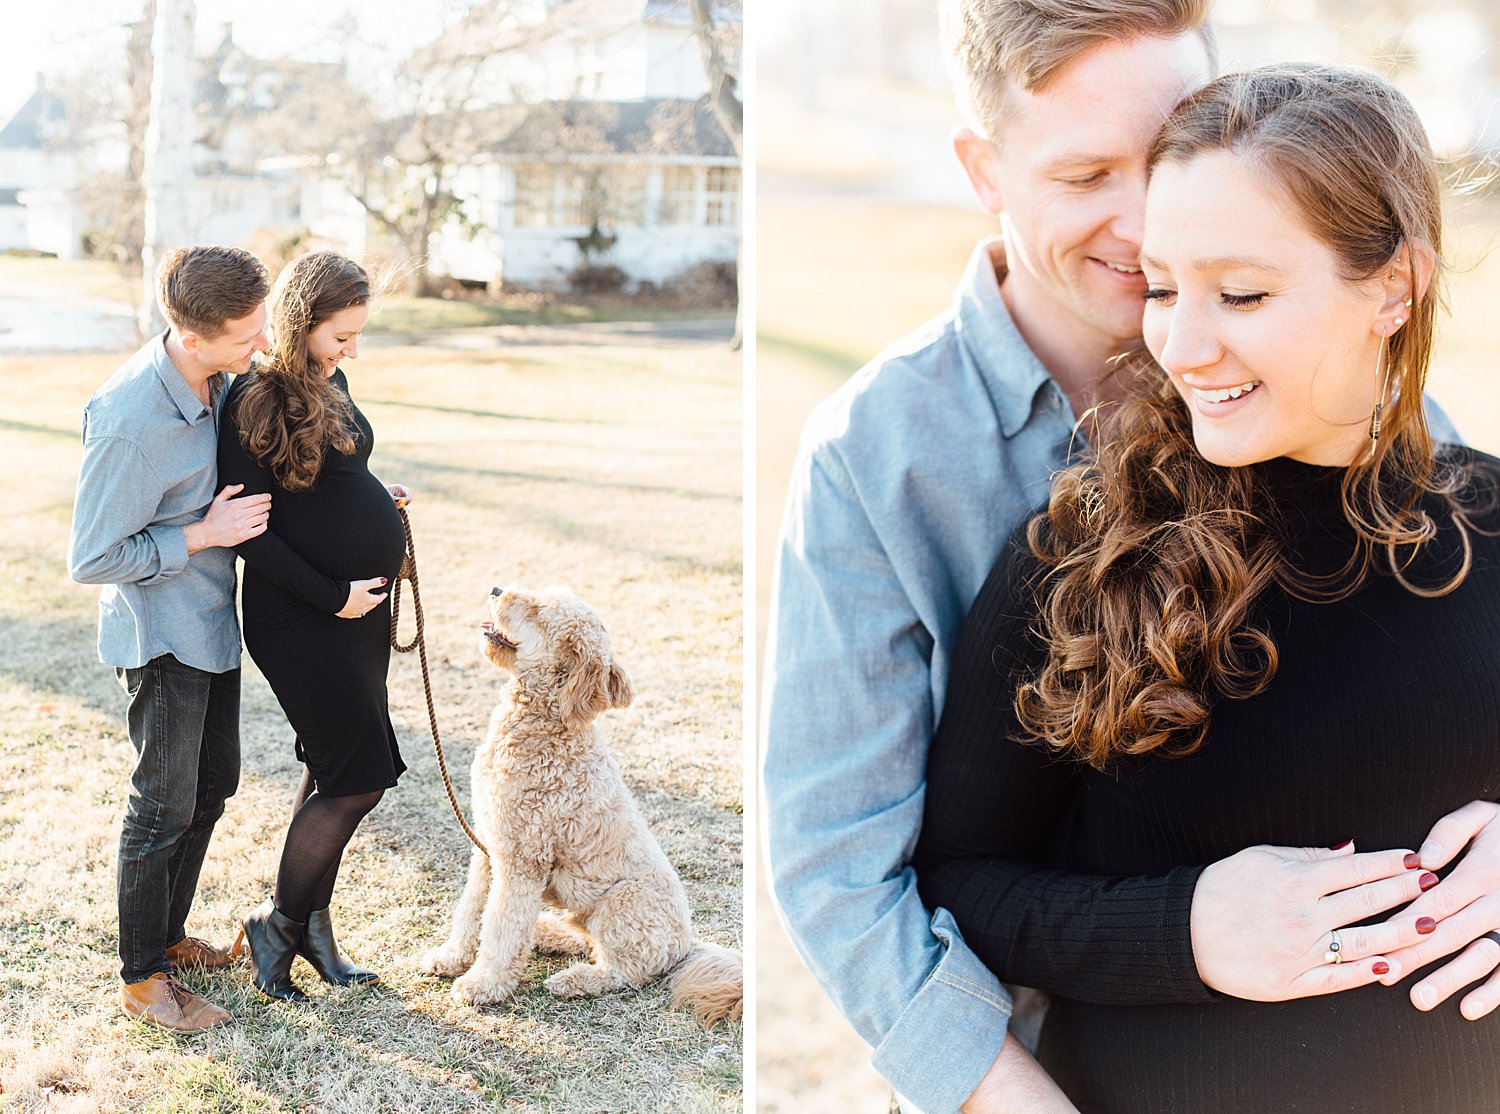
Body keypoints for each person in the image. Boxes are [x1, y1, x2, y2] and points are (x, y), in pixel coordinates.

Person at [915, 63, 1500, 1113]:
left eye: (1242, 293)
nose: (1181, 345)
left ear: (1395, 288)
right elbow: (960, 877)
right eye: (1164, 285)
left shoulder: (1492, 524)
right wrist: (1180, 931)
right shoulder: (1080, 550)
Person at [69, 244, 272, 1032]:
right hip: (160, 635)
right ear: (193, 337)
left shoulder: (214, 378)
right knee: (161, 803)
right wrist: (199, 534)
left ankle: (169, 937)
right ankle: (142, 980)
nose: (259, 347)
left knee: (213, 783)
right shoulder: (129, 420)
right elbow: (92, 556)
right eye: (246, 336)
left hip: (213, 621)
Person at [216, 250, 411, 1001]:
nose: (352, 350)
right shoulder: (254, 400)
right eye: (341, 335)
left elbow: (333, 477)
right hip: (302, 617)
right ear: (302, 324)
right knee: (357, 779)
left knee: (332, 768)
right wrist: (333, 595)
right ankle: (279, 925)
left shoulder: (334, 382)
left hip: (360, 613)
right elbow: (250, 534)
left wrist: (373, 496)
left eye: (358, 335)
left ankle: (314, 929)